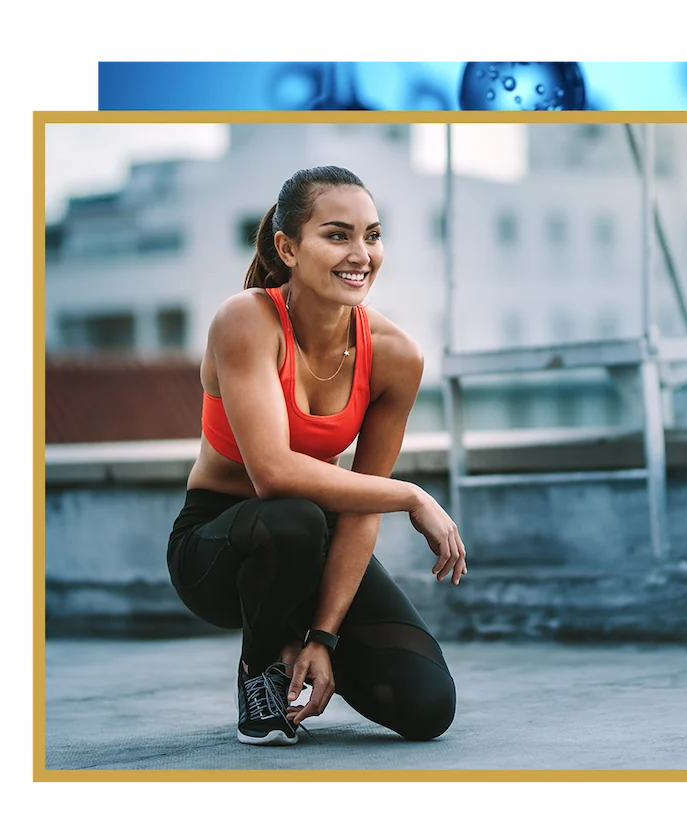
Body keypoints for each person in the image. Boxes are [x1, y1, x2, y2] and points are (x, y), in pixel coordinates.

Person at [166, 165, 467, 747]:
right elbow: (274, 474)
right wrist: (412, 494)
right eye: (337, 235)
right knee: (295, 516)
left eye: (372, 236)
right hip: (221, 546)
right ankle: (260, 672)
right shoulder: (246, 320)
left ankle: (297, 641)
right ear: (288, 247)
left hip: (317, 538)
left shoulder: (394, 355)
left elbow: (357, 509)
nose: (361, 254)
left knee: (427, 706)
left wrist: (323, 638)